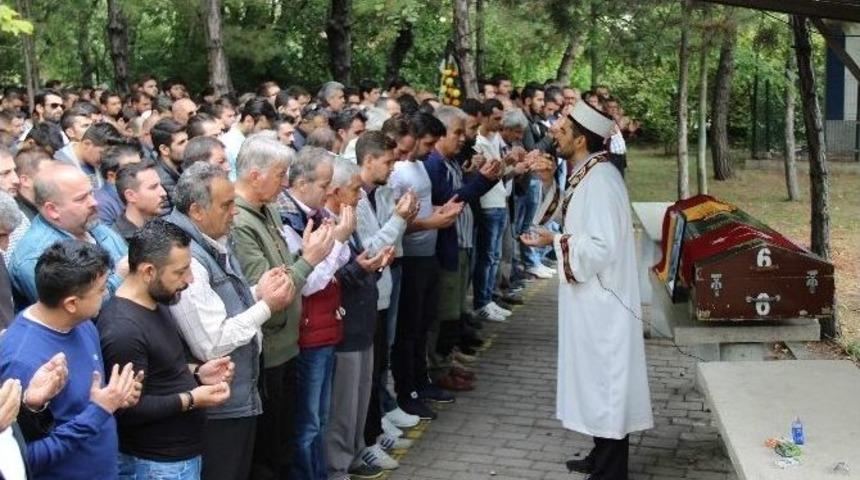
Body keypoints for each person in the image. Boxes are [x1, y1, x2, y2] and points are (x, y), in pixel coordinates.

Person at [522, 101, 653, 480]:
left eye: (561, 132)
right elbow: (567, 214)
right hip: (590, 298)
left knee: (606, 378)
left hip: (603, 301)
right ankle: (600, 454)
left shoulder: (600, 180)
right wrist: (548, 186)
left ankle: (612, 470)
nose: (553, 136)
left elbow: (599, 247)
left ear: (580, 139)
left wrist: (556, 240)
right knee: (595, 377)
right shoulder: (587, 171)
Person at [166, 162, 295, 480]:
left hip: (234, 395)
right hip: (219, 406)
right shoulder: (188, 258)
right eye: (226, 205)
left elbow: (221, 306)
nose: (235, 212)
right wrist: (266, 305)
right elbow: (212, 343)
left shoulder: (207, 240)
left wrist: (256, 291)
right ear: (196, 210)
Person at [231, 134, 333, 479]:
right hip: (267, 350)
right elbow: (269, 290)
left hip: (289, 344)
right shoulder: (239, 221)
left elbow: (281, 265)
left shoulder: (269, 208)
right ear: (255, 175)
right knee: (270, 449)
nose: (286, 182)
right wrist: (309, 259)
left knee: (288, 437)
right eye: (280, 174)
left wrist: (300, 256)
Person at [98, 219, 233, 479]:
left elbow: (159, 374)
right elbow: (126, 409)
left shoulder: (158, 300)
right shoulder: (123, 331)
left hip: (178, 457)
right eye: (180, 272)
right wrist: (192, 399)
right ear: (148, 271)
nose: (189, 280)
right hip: (155, 464)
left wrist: (199, 375)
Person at [0, 241, 143, 480]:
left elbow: (86, 402)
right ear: (71, 304)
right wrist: (99, 410)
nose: (106, 294)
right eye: (100, 290)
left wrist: (115, 396)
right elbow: (23, 458)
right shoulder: (21, 359)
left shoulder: (83, 324)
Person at [324, 157, 397, 479]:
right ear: (336, 191)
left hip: (362, 323)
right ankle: (337, 465)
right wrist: (363, 267)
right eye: (354, 189)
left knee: (358, 398)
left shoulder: (348, 220)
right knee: (342, 404)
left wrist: (375, 264)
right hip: (345, 326)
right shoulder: (329, 226)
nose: (360, 195)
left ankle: (353, 452)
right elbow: (329, 277)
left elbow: (357, 263)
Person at [9, 163, 129, 305]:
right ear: (52, 210)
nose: (94, 202)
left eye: (91, 193)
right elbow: (71, 314)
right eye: (81, 198)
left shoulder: (89, 223)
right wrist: (120, 276)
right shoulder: (36, 259)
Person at [112, 161, 169, 241]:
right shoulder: (117, 241)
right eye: (153, 187)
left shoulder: (166, 226)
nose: (164, 193)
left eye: (160, 185)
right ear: (130, 196)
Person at [94, 144, 143, 225]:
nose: (139, 172)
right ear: (111, 176)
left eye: (140, 167)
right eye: (130, 170)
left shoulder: (142, 188)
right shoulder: (101, 205)